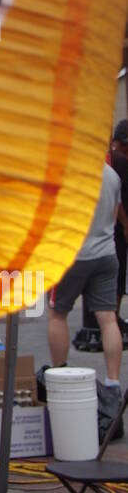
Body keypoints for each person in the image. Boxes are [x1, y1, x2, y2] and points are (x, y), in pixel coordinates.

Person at [47, 160, 127, 439]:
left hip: (72, 256)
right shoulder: (112, 175)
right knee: (108, 318)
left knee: (58, 313)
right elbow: (118, 213)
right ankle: (113, 383)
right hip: (106, 254)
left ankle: (59, 375)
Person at [109, 120, 128, 344]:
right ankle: (112, 316)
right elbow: (118, 200)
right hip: (116, 229)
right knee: (117, 273)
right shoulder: (119, 163)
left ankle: (112, 316)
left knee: (118, 274)